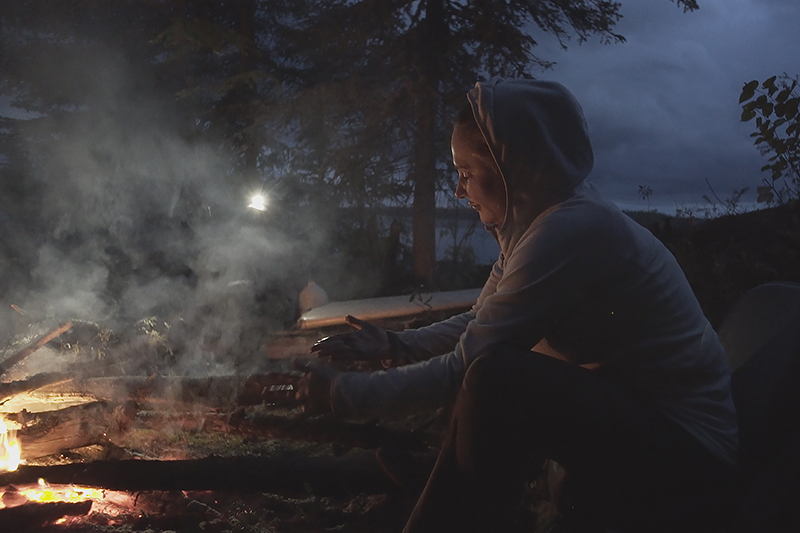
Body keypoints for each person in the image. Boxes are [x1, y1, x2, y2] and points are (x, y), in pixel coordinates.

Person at [299, 78, 739, 532]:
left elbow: (470, 361)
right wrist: (399, 343)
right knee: (487, 371)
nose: (457, 190)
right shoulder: (536, 224)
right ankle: (446, 479)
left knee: (495, 378)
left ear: (514, 167)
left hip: (686, 449)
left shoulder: (569, 232)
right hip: (638, 413)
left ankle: (452, 511)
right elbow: (480, 322)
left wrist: (342, 395)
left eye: (466, 174)